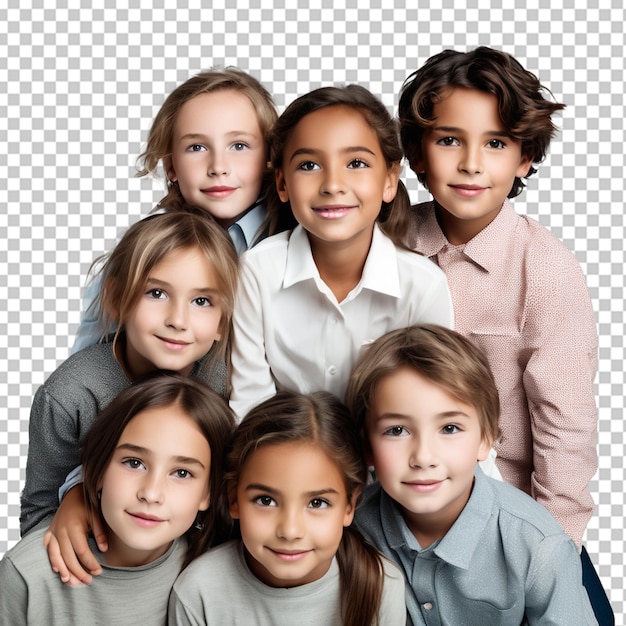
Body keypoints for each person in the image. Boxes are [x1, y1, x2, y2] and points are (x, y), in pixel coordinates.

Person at [397, 47, 612, 623]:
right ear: (417, 154)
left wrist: (556, 545)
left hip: (509, 518)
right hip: (400, 509)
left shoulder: (544, 267)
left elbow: (565, 422)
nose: (471, 163)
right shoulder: (387, 244)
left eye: (494, 143)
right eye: (449, 140)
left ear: (524, 158)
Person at [19, 209, 238, 582]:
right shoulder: (71, 393)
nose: (178, 320)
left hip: (192, 568)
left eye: (202, 301)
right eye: (156, 293)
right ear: (117, 298)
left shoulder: (227, 380)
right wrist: (69, 506)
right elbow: (37, 507)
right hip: (100, 567)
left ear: (222, 320)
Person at [346, 324, 597, 625]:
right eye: (396, 431)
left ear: (485, 439)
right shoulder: (352, 529)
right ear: (367, 446)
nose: (424, 457)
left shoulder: (538, 546)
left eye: (449, 428)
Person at [229, 84, 454, 419]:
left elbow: (432, 406)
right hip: (285, 457)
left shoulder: (422, 286)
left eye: (357, 163)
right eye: (308, 165)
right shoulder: (258, 271)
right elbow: (249, 403)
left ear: (390, 181)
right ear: (282, 183)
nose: (333, 184)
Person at [1, 375, 236, 625]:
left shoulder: (216, 577)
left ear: (208, 492)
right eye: (134, 463)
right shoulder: (26, 574)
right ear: (98, 469)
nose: (151, 493)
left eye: (182, 473)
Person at [72, 67, 278, 353]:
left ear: (269, 157)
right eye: (196, 147)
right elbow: (87, 358)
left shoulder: (294, 238)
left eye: (239, 145)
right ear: (171, 166)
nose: (218, 166)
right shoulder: (144, 249)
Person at [168, 390, 406, 626]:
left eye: (317, 503)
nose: (290, 531)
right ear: (234, 499)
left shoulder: (382, 586)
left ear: (348, 506)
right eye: (266, 500)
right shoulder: (198, 591)